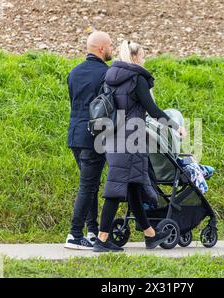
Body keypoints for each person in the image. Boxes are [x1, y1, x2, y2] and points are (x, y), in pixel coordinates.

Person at [93, 40, 186, 252]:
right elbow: (152, 110)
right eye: (142, 55)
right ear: (135, 58)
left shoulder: (110, 77)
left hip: (113, 138)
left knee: (134, 188)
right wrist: (175, 126)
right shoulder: (136, 79)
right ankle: (102, 239)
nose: (144, 59)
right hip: (130, 141)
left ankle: (150, 236)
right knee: (115, 190)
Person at [65, 31, 114, 250]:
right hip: (94, 137)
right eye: (110, 45)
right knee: (87, 186)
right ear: (102, 48)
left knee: (90, 185)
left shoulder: (74, 72)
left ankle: (92, 232)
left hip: (75, 134)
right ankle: (75, 235)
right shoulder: (107, 74)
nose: (112, 48)